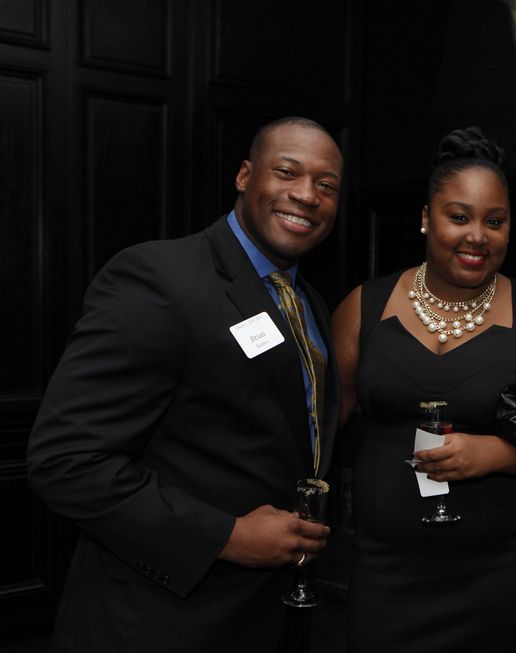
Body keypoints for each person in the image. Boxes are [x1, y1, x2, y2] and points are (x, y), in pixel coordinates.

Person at [27, 116, 343, 652]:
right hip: (161, 620)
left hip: (264, 614)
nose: (306, 195)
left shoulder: (308, 302)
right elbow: (65, 461)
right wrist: (228, 537)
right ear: (245, 176)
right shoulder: (160, 277)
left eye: (327, 185)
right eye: (287, 172)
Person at [330, 126, 516, 653]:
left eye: (494, 222)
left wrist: (495, 454)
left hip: (499, 578)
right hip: (387, 574)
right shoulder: (364, 307)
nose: (478, 235)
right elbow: (325, 423)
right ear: (426, 218)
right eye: (459, 217)